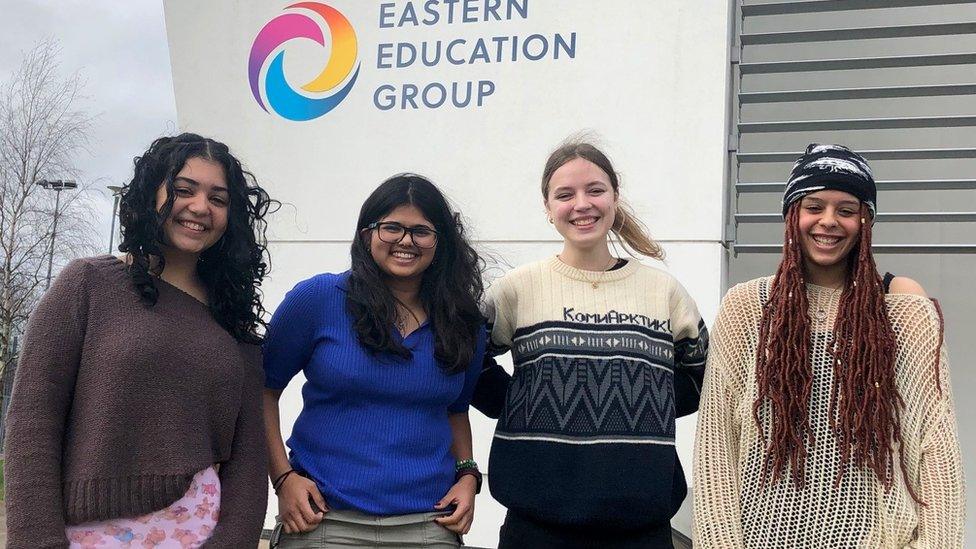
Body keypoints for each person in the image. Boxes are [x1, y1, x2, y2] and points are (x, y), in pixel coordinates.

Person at [3, 133, 276, 548]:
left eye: (219, 199)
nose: (201, 207)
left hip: (201, 536)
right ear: (151, 195)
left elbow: (249, 457)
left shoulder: (234, 325)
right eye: (184, 190)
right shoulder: (87, 284)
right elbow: (32, 426)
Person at [693, 144, 965, 548]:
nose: (828, 221)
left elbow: (937, 450)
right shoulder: (747, 308)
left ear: (866, 221)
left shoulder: (904, 315)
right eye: (814, 206)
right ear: (792, 215)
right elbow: (716, 447)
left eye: (846, 209)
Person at [472, 140, 709, 548]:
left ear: (615, 197)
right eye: (565, 195)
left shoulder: (662, 290)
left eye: (595, 190)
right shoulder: (516, 289)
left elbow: (706, 375)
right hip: (535, 528)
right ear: (548, 208)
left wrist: (641, 403)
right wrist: (515, 402)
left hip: (642, 529)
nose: (582, 204)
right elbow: (465, 362)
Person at [262, 174, 486, 548]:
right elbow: (262, 390)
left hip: (429, 524)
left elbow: (456, 410)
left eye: (421, 231)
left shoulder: (463, 321)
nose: (405, 241)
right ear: (367, 234)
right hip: (324, 522)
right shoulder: (318, 300)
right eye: (391, 228)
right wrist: (282, 478)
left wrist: (468, 476)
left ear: (440, 242)